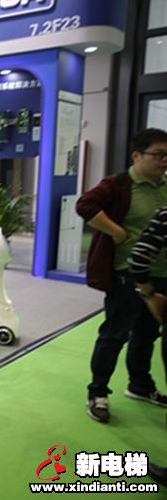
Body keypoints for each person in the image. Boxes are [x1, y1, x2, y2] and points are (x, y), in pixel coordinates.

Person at [76, 128, 167, 424]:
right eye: (158, 154)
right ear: (136, 156)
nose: (164, 160)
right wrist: (117, 232)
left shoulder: (164, 186)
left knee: (147, 334)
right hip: (126, 273)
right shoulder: (118, 184)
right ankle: (98, 392)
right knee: (115, 334)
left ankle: (140, 385)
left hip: (161, 274)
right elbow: (85, 205)